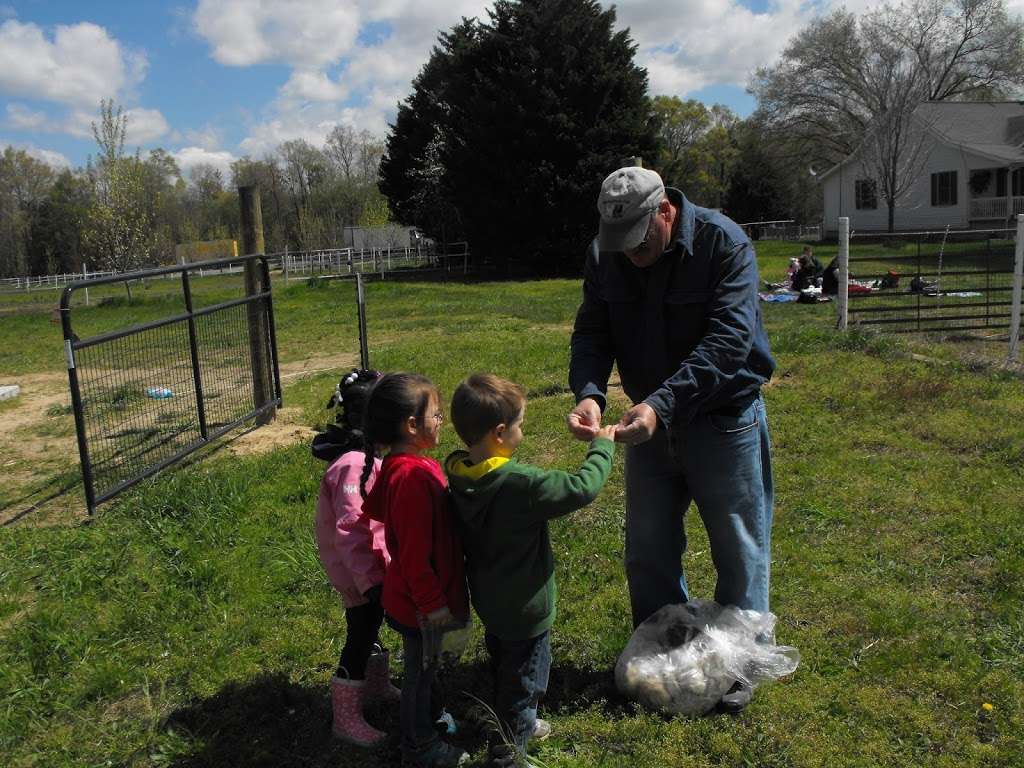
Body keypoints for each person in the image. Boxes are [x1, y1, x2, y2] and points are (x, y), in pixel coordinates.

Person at [568, 166, 776, 713]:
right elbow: (593, 329)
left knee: (737, 546)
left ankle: (741, 664)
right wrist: (589, 392)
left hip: (721, 418)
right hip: (651, 424)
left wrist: (660, 404)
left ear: (666, 211)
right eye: (622, 246)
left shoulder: (722, 244)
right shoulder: (605, 253)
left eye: (641, 242)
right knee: (649, 547)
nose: (631, 255)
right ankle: (662, 655)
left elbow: (729, 341)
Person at [444, 374, 617, 768]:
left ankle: (512, 714)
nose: (523, 431)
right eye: (520, 424)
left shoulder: (457, 473)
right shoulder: (521, 484)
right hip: (527, 608)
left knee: (505, 663)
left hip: (488, 599)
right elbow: (581, 488)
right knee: (526, 681)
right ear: (501, 433)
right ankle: (508, 750)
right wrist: (601, 447)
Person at [361, 372, 470, 768]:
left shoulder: (404, 466)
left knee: (429, 666)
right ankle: (419, 745)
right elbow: (411, 555)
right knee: (420, 675)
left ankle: (433, 720)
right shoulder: (410, 477)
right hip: (421, 605)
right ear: (411, 425)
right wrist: (433, 605)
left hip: (419, 601)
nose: (441, 421)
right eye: (436, 415)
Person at [312, 368, 400, 746]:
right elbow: (351, 531)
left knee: (372, 625)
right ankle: (345, 719)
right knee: (360, 634)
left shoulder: (369, 458)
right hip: (360, 574)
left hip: (373, 570)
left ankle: (376, 687)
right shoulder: (351, 465)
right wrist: (371, 582)